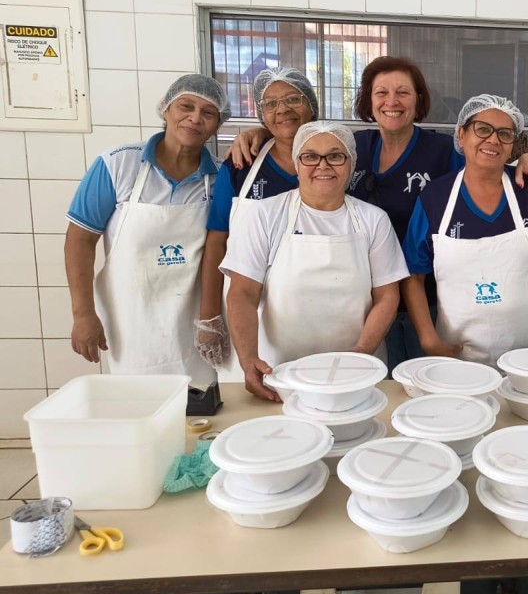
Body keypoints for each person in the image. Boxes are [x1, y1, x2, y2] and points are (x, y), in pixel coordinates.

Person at [229, 56, 528, 371]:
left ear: (418, 100)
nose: (391, 101)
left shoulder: (442, 151)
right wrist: (262, 134)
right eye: (381, 92)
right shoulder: (355, 145)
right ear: (368, 102)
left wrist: (524, 160)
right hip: (363, 305)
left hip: (429, 301)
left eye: (403, 92)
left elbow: (485, 164)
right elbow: (311, 147)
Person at [221, 122, 409, 401]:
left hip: (357, 371)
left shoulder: (373, 220)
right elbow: (243, 293)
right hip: (281, 371)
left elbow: (387, 296)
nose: (323, 165)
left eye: (335, 156)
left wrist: (360, 354)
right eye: (310, 156)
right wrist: (249, 359)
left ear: (351, 164)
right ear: (296, 164)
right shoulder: (264, 215)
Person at [65, 74, 230, 385]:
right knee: (139, 400)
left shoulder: (221, 177)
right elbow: (80, 240)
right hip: (131, 323)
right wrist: (83, 314)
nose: (195, 118)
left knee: (203, 403)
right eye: (186, 106)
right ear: (165, 109)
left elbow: (221, 249)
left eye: (208, 113)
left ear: (218, 124)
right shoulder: (117, 164)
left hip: (195, 323)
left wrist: (211, 321)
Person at [402, 95, 528, 365]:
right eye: (482, 129)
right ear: (462, 135)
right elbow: (414, 274)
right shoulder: (434, 199)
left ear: (512, 145)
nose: (493, 140)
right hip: (458, 358)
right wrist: (427, 337)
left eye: (505, 134)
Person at [196, 68, 319, 372]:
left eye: (293, 99)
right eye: (270, 104)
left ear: (312, 107)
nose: (282, 110)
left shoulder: (338, 162)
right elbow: (217, 240)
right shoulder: (241, 165)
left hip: (322, 313)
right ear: (262, 115)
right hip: (252, 315)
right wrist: (209, 316)